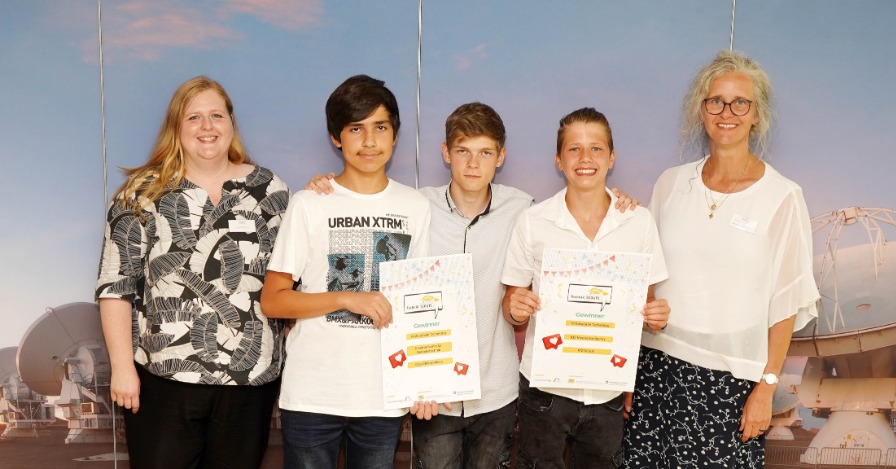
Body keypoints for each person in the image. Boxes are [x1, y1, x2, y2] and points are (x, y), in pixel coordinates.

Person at [306, 102, 637, 468]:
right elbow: (366, 210)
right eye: (463, 151)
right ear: (446, 153)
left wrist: (616, 199)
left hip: (497, 391)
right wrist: (329, 188)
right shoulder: (415, 208)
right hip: (435, 391)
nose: (473, 164)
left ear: (501, 156)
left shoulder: (524, 211)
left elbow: (575, 213)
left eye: (485, 153)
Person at [621, 50, 820, 468]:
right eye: (716, 101)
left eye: (739, 102)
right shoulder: (671, 184)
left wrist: (766, 388)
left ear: (757, 115)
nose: (726, 112)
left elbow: (786, 302)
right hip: (657, 371)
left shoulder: (783, 196)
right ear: (701, 110)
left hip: (732, 384)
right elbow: (645, 278)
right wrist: (628, 374)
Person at [96, 76, 289, 469]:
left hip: (249, 382)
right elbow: (116, 287)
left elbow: (288, 280)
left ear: (231, 122)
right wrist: (121, 368)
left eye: (216, 115)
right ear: (176, 128)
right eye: (194, 118)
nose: (207, 127)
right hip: (163, 379)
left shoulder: (270, 190)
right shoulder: (141, 193)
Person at [260, 74, 436, 469]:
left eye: (380, 127)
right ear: (336, 137)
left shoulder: (415, 206)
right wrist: (345, 298)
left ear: (394, 135)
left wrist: (425, 381)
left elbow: (420, 302)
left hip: (382, 396)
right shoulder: (309, 203)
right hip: (311, 395)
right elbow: (273, 300)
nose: (369, 141)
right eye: (356, 128)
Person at [502, 107, 670, 469]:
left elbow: (647, 302)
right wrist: (516, 306)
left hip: (606, 390)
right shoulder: (532, 221)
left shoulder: (638, 222)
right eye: (574, 149)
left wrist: (655, 315)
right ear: (558, 160)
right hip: (544, 388)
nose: (585, 158)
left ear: (612, 157)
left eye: (596, 148)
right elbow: (510, 301)